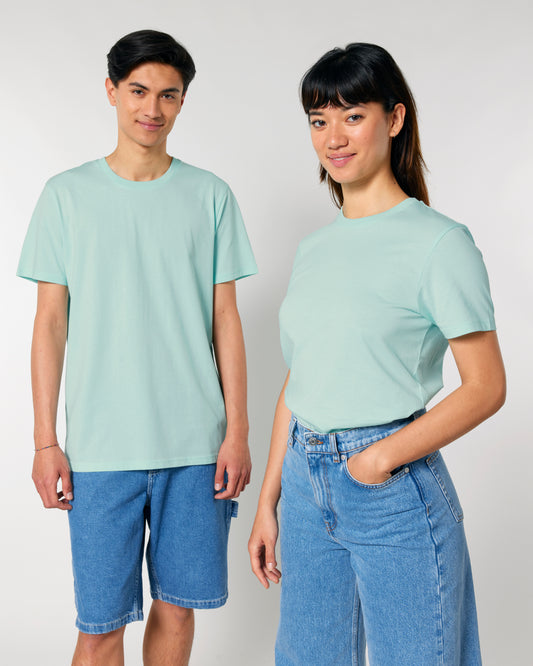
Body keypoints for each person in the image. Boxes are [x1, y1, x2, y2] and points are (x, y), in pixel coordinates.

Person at [249, 43, 505, 665]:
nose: (333, 137)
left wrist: (378, 458)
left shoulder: (439, 243)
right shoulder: (314, 250)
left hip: (391, 487)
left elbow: (486, 386)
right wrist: (269, 499)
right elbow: (301, 378)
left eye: (353, 116)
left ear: (394, 119)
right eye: (319, 120)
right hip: (304, 485)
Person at [18, 29, 257, 666]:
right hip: (100, 451)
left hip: (196, 448)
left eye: (168, 95)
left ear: (183, 101)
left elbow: (226, 320)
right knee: (99, 628)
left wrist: (237, 432)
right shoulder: (65, 195)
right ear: (111, 91)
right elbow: (48, 324)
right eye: (138, 91)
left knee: (177, 611)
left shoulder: (211, 195)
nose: (153, 108)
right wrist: (45, 441)